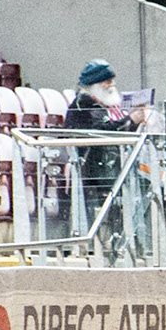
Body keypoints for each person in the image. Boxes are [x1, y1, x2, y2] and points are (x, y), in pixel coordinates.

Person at [64, 59, 152, 254]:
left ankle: (128, 242)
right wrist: (130, 120)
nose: (112, 85)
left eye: (112, 80)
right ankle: (123, 243)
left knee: (149, 185)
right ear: (94, 84)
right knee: (142, 187)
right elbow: (100, 133)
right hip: (94, 171)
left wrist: (135, 121)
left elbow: (116, 132)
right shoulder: (83, 104)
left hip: (112, 166)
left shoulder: (106, 105)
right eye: (106, 82)